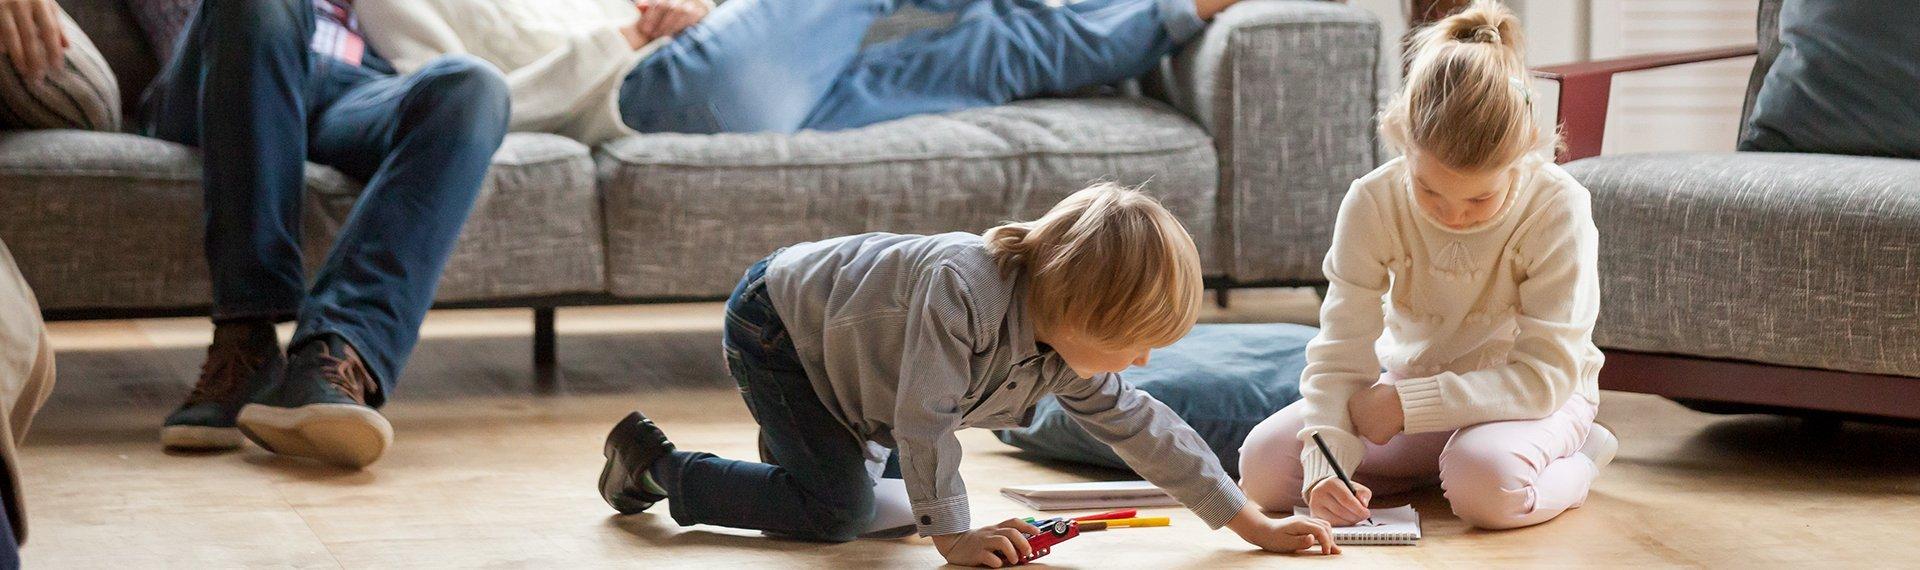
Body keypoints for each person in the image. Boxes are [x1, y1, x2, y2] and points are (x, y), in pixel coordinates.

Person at [598, 184, 1339, 567]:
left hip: (860, 362)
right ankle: (655, 466)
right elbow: (925, 419)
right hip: (783, 327)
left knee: (889, 505)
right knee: (840, 514)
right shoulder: (962, 288)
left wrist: (1251, 523)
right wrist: (953, 536)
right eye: (1131, 343)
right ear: (1076, 312)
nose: (1141, 362)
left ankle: (804, 464)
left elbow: (1147, 429)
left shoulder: (1065, 345)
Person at [1234, 0, 1618, 531]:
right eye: (1429, 190)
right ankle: (1440, 467)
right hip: (1412, 390)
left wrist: (1406, 405)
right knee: (1263, 470)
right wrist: (1328, 469)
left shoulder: (1558, 207)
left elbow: (1544, 378)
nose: (1453, 215)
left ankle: (1579, 460)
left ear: (1524, 155)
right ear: (1402, 138)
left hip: (1534, 400)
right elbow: (1341, 351)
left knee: (1487, 488)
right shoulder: (1372, 200)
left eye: (1480, 199)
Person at [145, 0, 512, 469]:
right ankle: (245, 340)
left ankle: (335, 352)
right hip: (223, 67)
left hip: (347, 82)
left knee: (474, 87)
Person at [356, 0, 1248, 144]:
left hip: (748, 84)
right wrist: (625, 33)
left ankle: (1187, 7)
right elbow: (467, 96)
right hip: (653, 89)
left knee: (993, 51)